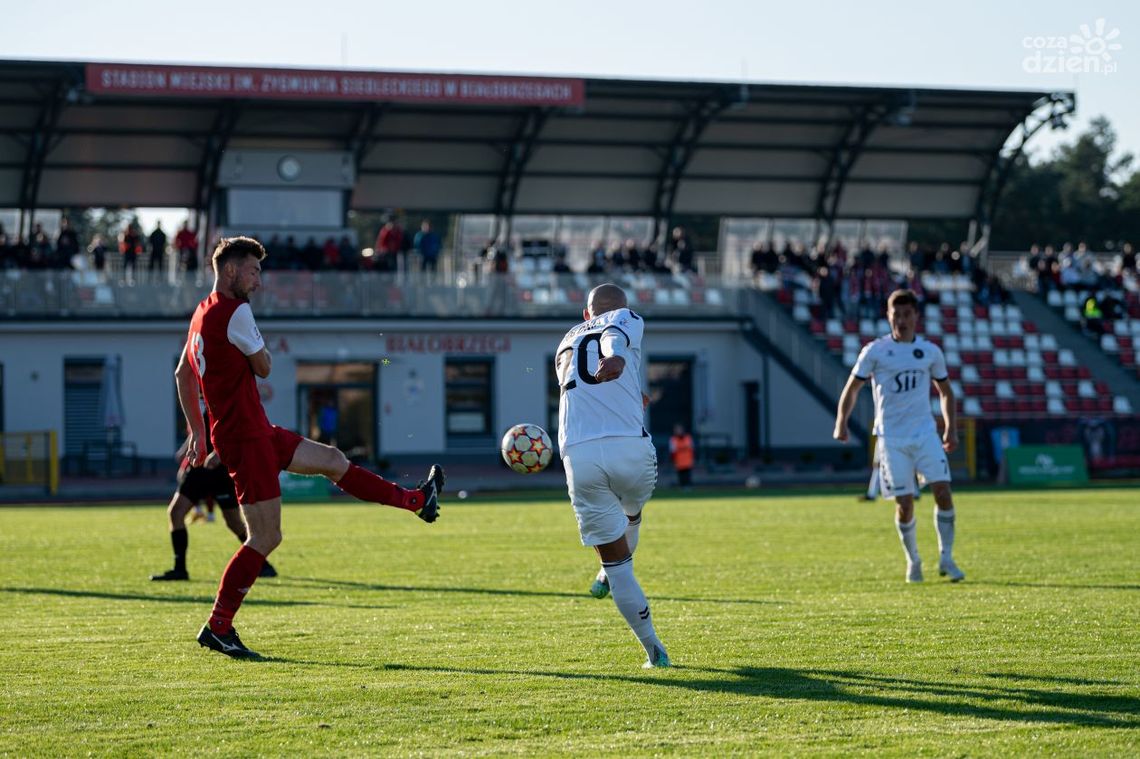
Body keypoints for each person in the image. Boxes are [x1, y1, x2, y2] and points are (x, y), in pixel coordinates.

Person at [177, 236, 446, 658]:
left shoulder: (201, 314)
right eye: (253, 271)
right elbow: (264, 368)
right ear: (230, 270)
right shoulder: (236, 312)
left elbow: (183, 375)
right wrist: (252, 357)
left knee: (333, 460)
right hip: (245, 436)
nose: (259, 281)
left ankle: (416, 500)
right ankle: (218, 625)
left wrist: (198, 430)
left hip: (250, 430)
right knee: (265, 537)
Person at [554, 283, 670, 668]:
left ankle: (655, 651)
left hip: (578, 455)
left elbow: (586, 386)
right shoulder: (625, 318)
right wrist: (617, 360)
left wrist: (626, 384)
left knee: (619, 567)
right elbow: (611, 338)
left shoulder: (565, 343)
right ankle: (632, 518)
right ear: (623, 308)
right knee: (632, 507)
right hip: (627, 448)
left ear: (585, 313)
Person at [833, 289, 964, 584]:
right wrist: (841, 422)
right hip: (892, 438)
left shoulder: (930, 351)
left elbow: (945, 392)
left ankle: (946, 557)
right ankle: (913, 560)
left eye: (907, 314)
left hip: (925, 434)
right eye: (897, 314)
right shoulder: (875, 351)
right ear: (888, 315)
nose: (901, 320)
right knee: (904, 504)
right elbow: (852, 388)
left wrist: (950, 428)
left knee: (943, 491)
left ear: (916, 316)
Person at [150, 430, 278, 582]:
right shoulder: (201, 407)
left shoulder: (228, 406)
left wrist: (218, 453)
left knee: (234, 522)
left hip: (219, 470)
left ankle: (262, 563)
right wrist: (185, 451)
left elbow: (236, 428)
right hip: (197, 469)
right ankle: (179, 569)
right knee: (175, 512)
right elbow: (198, 429)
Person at [668, 424, 694, 489]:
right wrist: (673, 460)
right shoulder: (673, 439)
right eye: (677, 430)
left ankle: (688, 487)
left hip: (688, 461)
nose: (678, 431)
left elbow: (692, 449)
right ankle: (682, 487)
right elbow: (672, 451)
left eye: (680, 429)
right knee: (681, 476)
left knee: (687, 475)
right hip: (679, 462)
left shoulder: (688, 438)